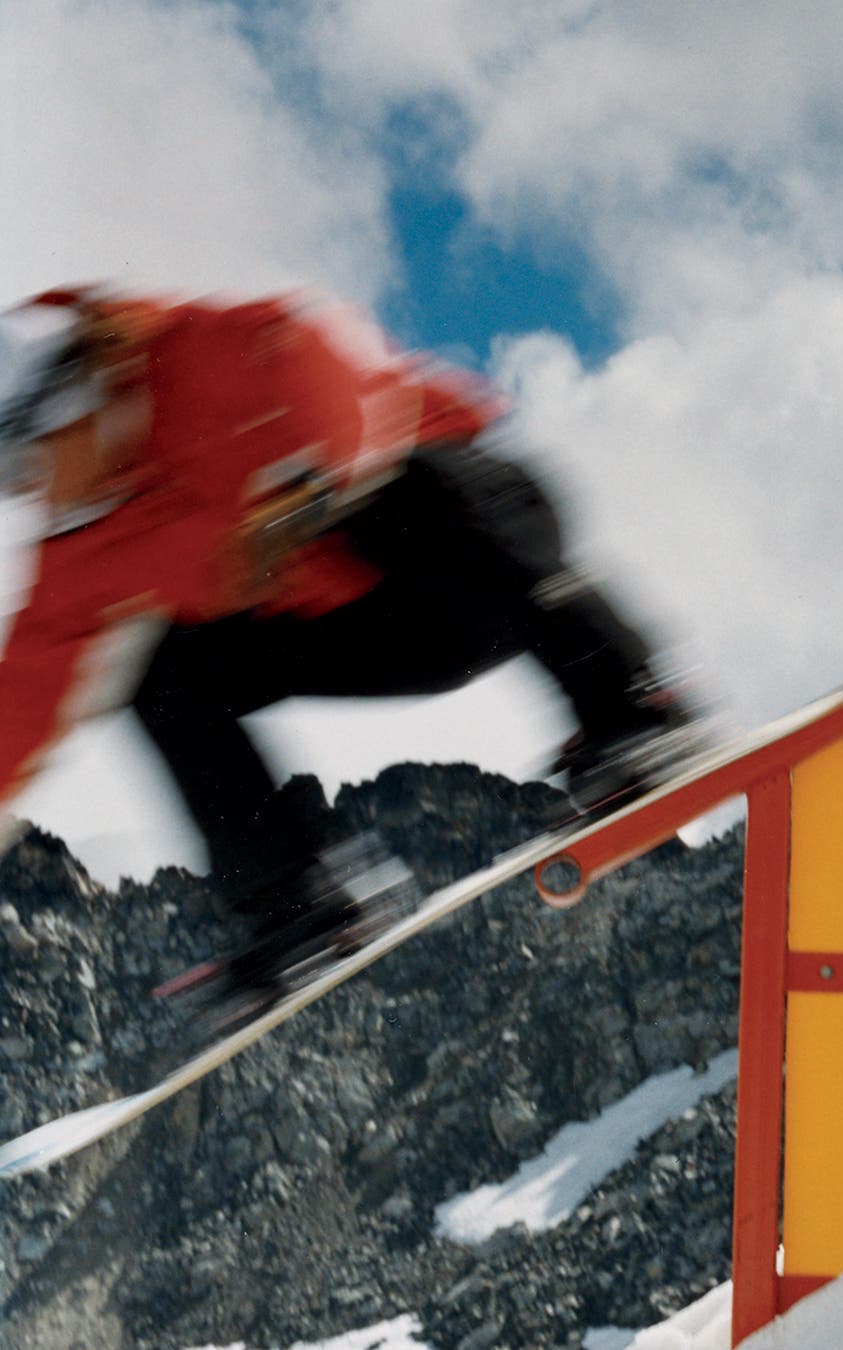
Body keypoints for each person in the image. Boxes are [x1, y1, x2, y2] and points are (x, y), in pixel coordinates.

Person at [0, 285, 704, 1013]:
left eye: (23, 461)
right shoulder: (73, 557)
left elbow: (321, 358)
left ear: (67, 401)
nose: (27, 491)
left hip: (474, 551)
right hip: (373, 635)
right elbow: (18, 704)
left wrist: (310, 485)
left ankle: (633, 709)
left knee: (413, 482)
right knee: (156, 668)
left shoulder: (196, 352)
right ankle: (292, 904)